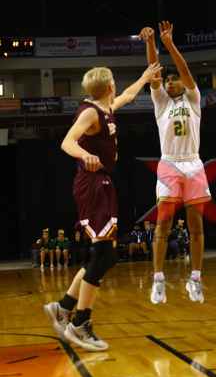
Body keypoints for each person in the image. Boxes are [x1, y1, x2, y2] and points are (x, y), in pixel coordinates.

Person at [43, 62, 161, 351]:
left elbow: (128, 96)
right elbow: (67, 142)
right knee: (104, 255)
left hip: (102, 183)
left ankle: (63, 307)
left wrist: (144, 78)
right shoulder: (90, 112)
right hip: (93, 184)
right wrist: (84, 155)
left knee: (104, 255)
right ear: (110, 86)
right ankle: (79, 322)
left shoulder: (105, 107)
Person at [140, 22, 211, 305]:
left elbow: (186, 70)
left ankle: (195, 279)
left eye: (174, 79)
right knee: (163, 223)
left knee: (196, 227)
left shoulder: (193, 99)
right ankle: (158, 280)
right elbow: (153, 72)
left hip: (193, 164)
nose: (170, 82)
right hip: (170, 164)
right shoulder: (161, 102)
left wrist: (169, 44)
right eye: (167, 80)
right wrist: (151, 43)